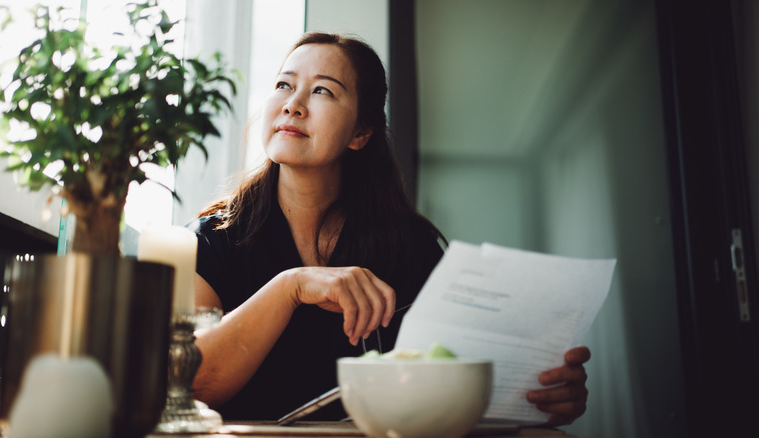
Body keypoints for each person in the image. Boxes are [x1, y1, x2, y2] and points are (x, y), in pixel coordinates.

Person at [188, 32, 590, 426]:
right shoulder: (211, 240)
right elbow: (190, 384)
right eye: (283, 85)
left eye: (322, 91)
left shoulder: (412, 248)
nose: (292, 105)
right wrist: (290, 287)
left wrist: (535, 392)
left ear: (361, 133)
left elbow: (446, 387)